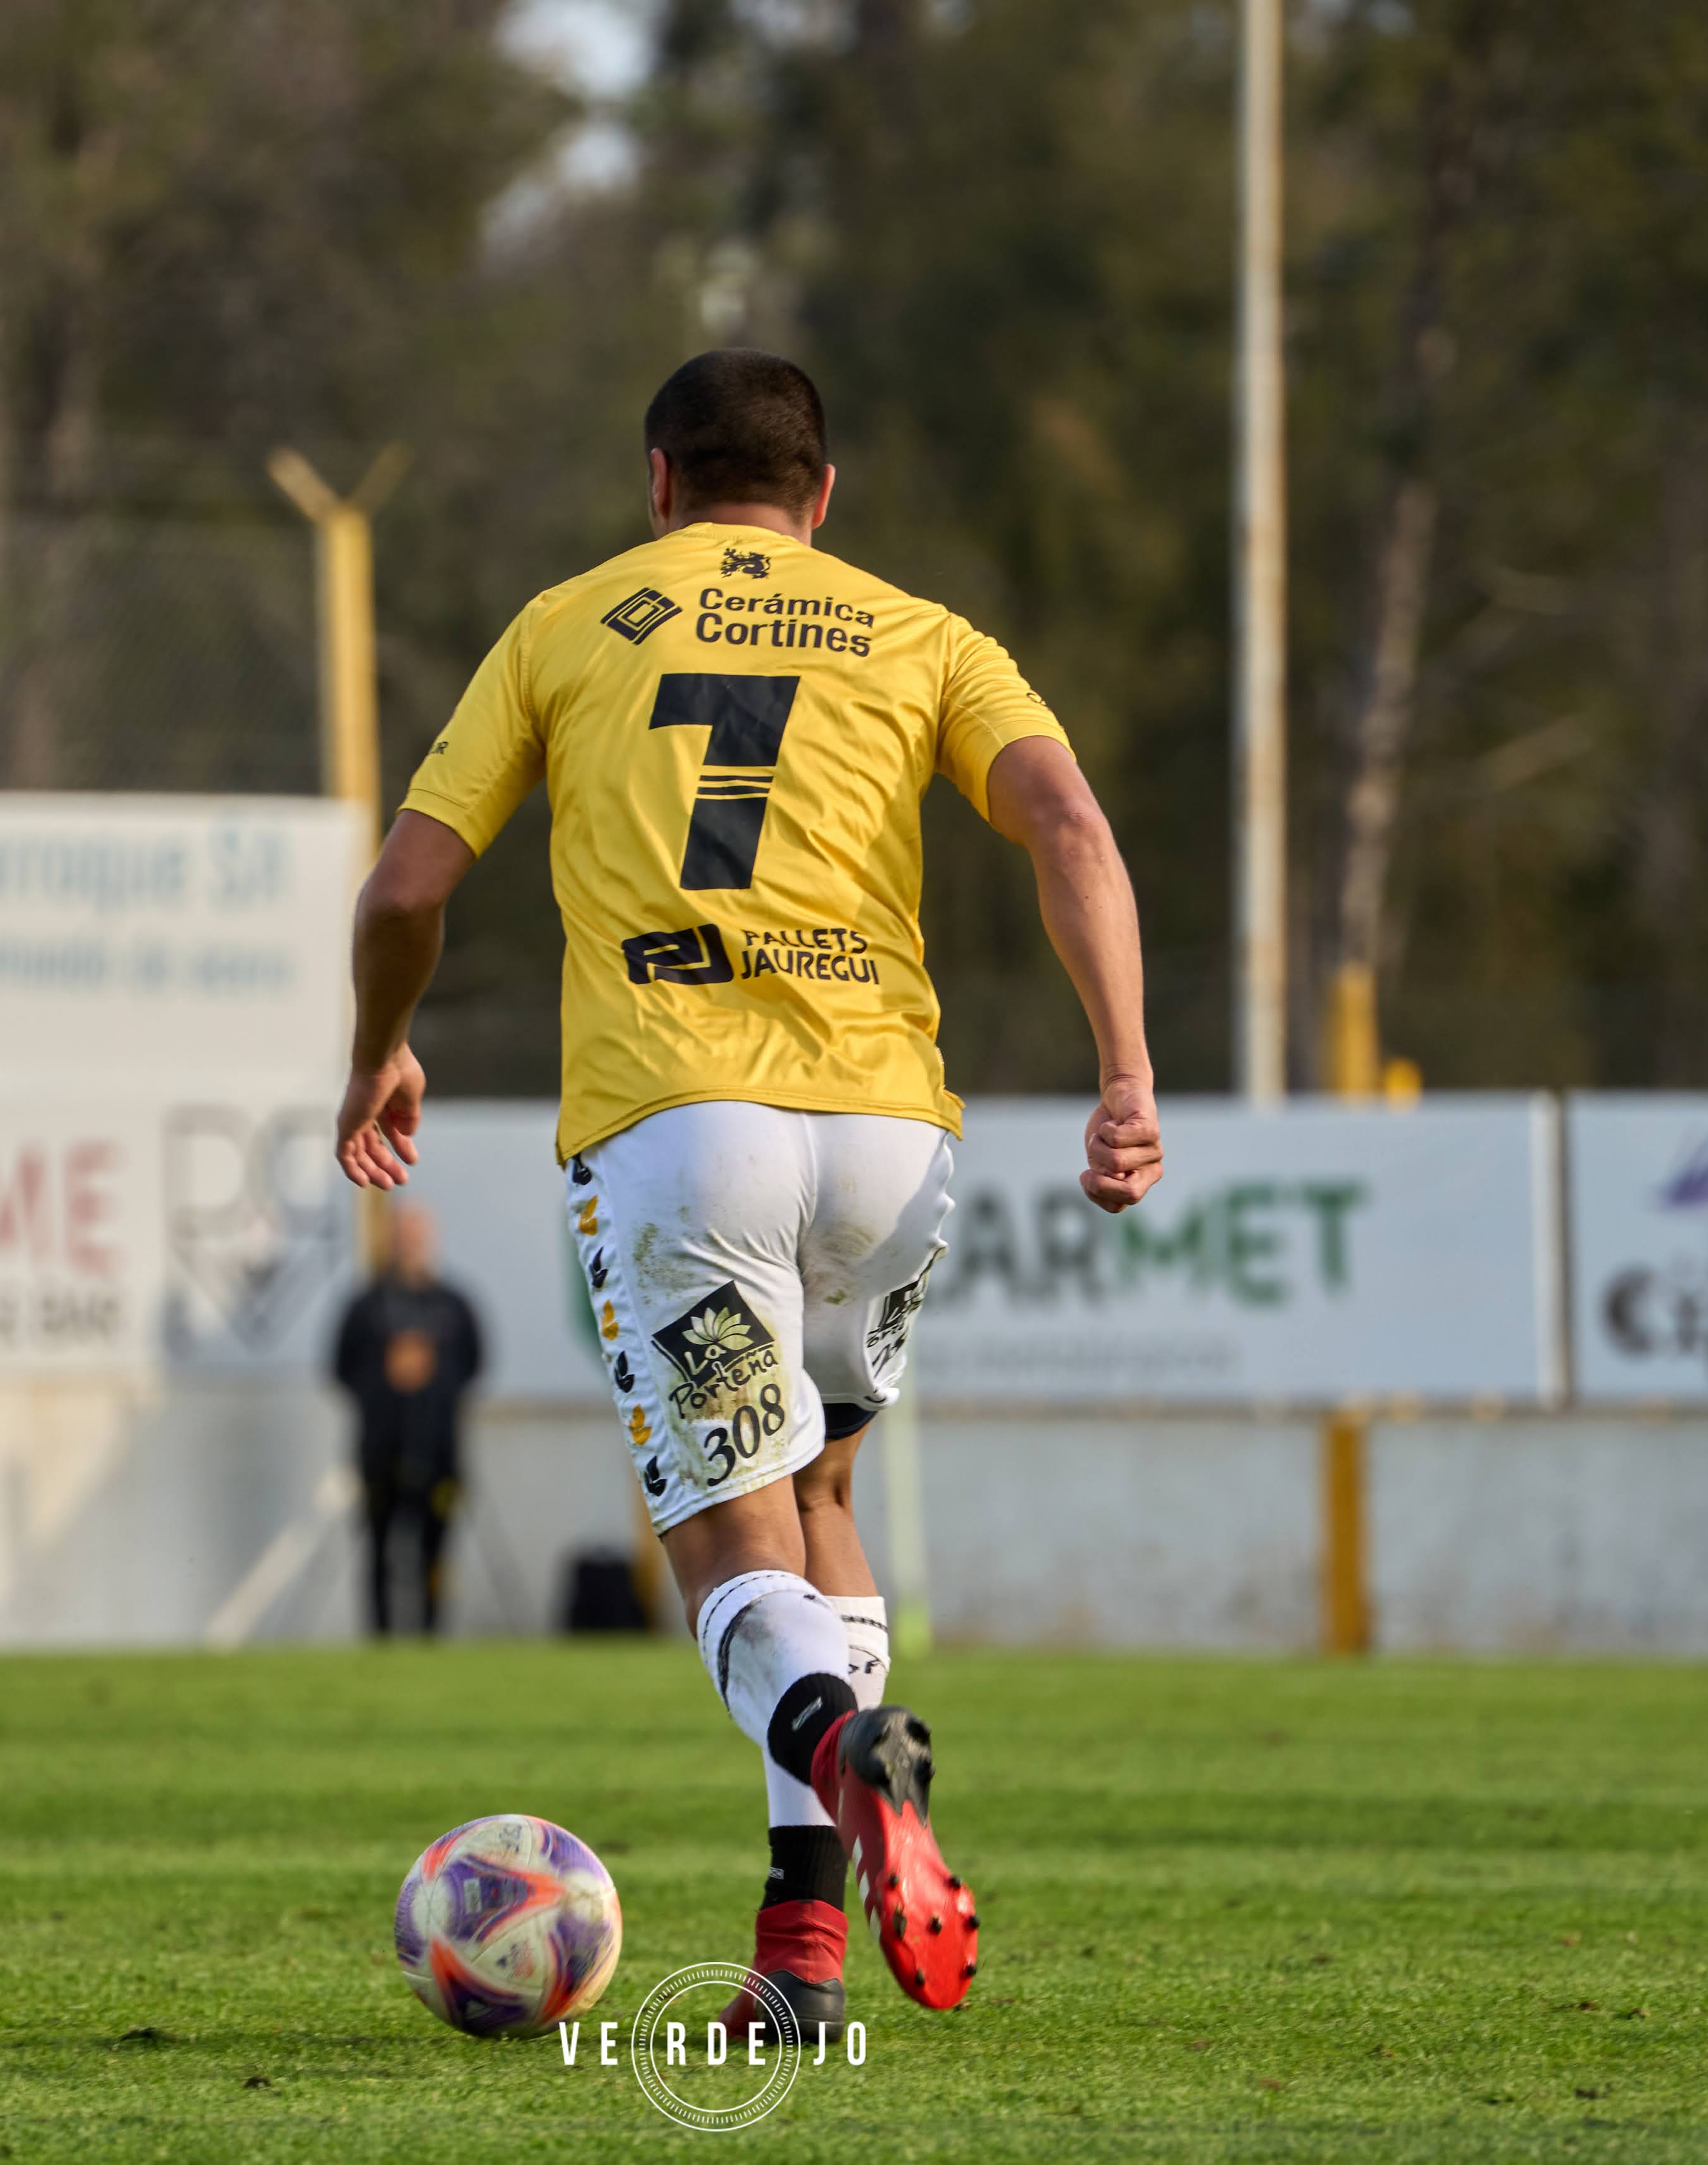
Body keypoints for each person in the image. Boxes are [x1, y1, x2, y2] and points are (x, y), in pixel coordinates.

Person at [331, 351, 1163, 2044]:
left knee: (724, 1536)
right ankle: (800, 1958)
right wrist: (1124, 1068)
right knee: (822, 1496)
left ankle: (835, 1747)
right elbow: (1065, 820)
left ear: (656, 482)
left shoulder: (568, 623)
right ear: (822, 494)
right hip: (884, 1144)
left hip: (683, 1135)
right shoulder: (922, 635)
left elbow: (408, 881)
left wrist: (382, 1046)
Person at [331, 1204, 485, 1634]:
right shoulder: (364, 1306)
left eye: (418, 1235)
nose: (410, 1243)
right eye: (403, 1235)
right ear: (390, 1240)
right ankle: (378, 1638)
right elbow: (339, 1369)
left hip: (439, 1450)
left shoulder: (454, 1306)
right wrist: (387, 1374)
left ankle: (431, 1636)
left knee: (435, 1550)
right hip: (380, 1450)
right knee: (378, 1548)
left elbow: (474, 1367)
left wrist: (431, 1374)